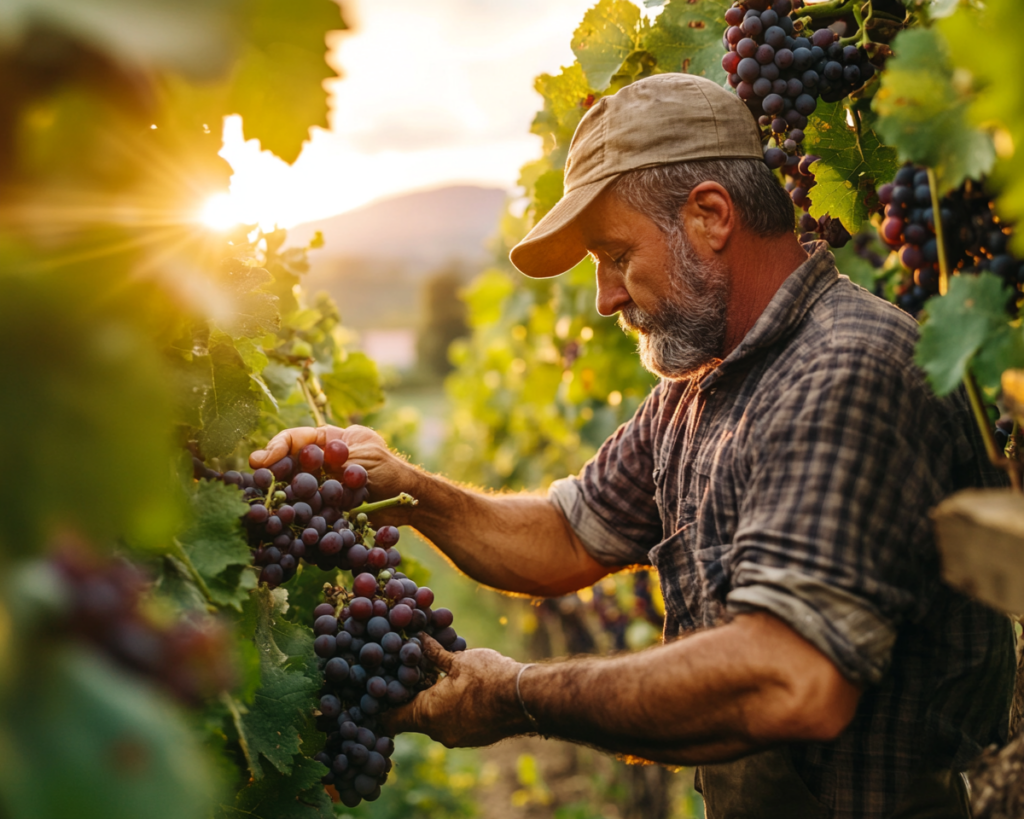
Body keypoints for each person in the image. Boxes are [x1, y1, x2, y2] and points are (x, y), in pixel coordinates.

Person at [250, 74, 1014, 818]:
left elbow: (788, 679)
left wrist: (514, 695)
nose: (605, 298)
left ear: (711, 215)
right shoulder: (698, 389)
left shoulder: (843, 370)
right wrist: (405, 487)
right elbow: (564, 535)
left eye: (616, 255)